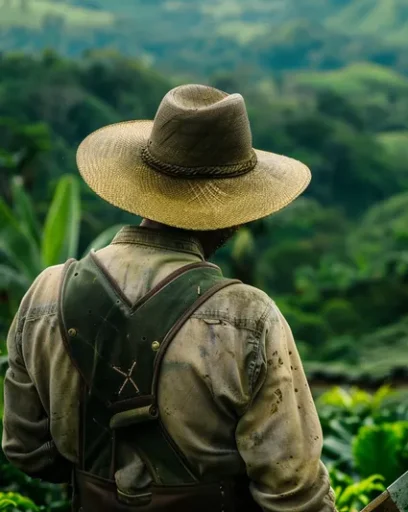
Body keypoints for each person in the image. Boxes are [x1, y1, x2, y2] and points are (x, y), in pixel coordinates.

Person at [2, 84, 337, 512]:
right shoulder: (247, 318)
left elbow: (26, 449)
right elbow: (293, 492)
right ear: (236, 206)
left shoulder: (46, 294)